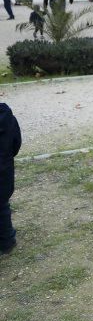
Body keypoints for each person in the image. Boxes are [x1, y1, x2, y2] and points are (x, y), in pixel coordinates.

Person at [0, 103, 21, 254]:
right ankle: (7, 241)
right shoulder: (5, 114)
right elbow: (16, 142)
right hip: (3, 171)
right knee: (1, 206)